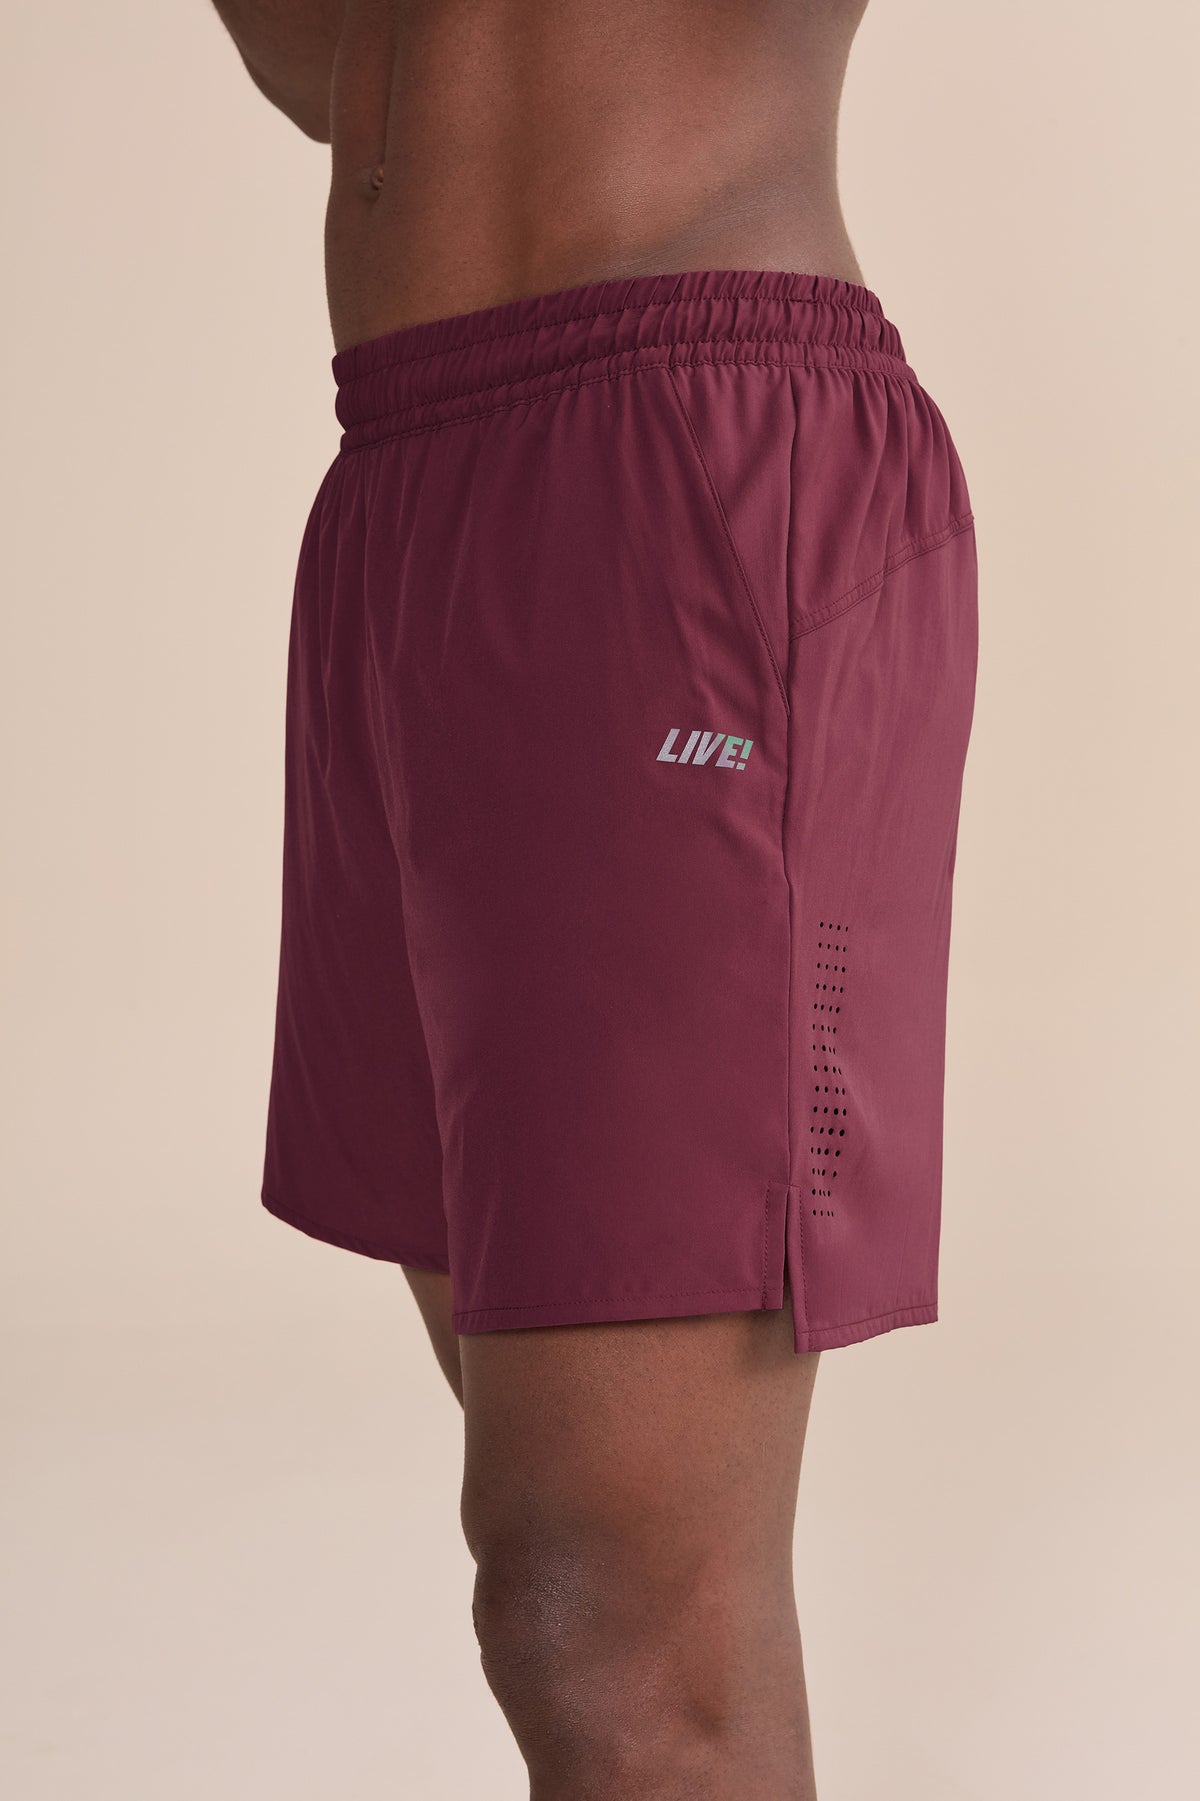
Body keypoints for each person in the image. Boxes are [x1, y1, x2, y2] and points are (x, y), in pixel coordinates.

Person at [211, 4, 979, 1794]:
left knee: (614, 1623)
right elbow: (329, 62)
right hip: (407, 482)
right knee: (579, 1602)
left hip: (684, 441)